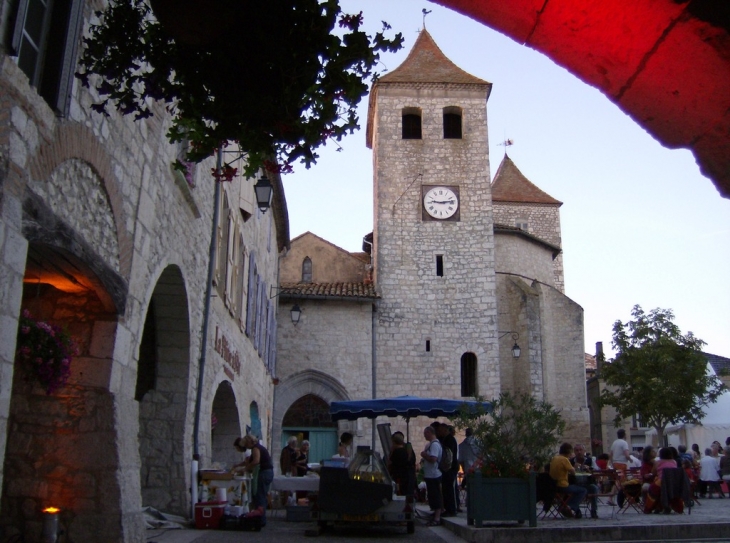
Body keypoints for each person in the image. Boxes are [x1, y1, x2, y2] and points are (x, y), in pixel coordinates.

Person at [234, 435, 274, 526]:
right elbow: (249, 460)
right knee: (261, 495)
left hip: (264, 473)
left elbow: (256, 461)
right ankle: (260, 518)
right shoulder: (257, 448)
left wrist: (245, 469)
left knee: (260, 496)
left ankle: (261, 520)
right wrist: (238, 465)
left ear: (248, 442)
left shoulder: (256, 448)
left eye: (245, 445)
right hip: (267, 472)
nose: (246, 447)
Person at [549, 442, 587, 518]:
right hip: (562, 485)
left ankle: (567, 506)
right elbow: (573, 472)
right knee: (583, 490)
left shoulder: (555, 458)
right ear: (569, 451)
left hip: (553, 485)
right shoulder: (564, 459)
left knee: (575, 489)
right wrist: (576, 467)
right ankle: (570, 506)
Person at [432, 422, 458, 517]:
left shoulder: (450, 440)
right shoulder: (444, 440)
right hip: (446, 469)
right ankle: (447, 508)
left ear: (445, 430)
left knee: (450, 489)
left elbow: (448, 455)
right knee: (446, 489)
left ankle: (452, 509)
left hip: (450, 468)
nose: (438, 432)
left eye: (439, 430)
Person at [420, 426, 442, 526]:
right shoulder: (430, 445)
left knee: (436, 496)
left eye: (425, 433)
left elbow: (433, 459)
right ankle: (435, 514)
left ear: (429, 433)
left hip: (434, 475)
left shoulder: (434, 445)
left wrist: (424, 455)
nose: (424, 435)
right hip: (430, 475)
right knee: (432, 496)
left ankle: (437, 517)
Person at [571, 443, 599, 518]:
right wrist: (573, 468)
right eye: (577, 450)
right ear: (574, 452)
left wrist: (589, 469)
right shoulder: (571, 461)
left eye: (580, 450)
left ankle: (594, 510)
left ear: (584, 451)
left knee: (594, 488)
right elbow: (567, 474)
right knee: (573, 490)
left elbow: (597, 471)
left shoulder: (590, 460)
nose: (579, 452)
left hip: (588, 483)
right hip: (576, 484)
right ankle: (576, 510)